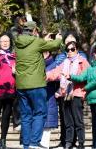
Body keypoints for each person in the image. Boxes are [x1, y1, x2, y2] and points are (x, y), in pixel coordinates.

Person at [14, 21, 63, 149]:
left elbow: (36, 45)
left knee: (26, 115)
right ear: (35, 30)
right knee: (40, 113)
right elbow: (54, 45)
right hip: (36, 84)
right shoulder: (37, 42)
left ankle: (26, 144)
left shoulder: (18, 43)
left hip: (21, 86)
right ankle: (34, 143)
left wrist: (42, 40)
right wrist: (58, 39)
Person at [47, 40, 89, 149]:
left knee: (78, 120)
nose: (70, 51)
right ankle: (68, 143)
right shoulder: (64, 62)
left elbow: (87, 76)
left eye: (72, 49)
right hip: (65, 94)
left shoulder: (82, 61)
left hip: (77, 93)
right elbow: (54, 73)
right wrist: (43, 75)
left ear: (77, 50)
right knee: (68, 121)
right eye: (68, 50)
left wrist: (72, 77)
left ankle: (81, 143)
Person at [68, 42, 96, 149]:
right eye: (95, 52)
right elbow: (82, 77)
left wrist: (85, 88)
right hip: (92, 99)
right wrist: (71, 76)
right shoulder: (91, 67)